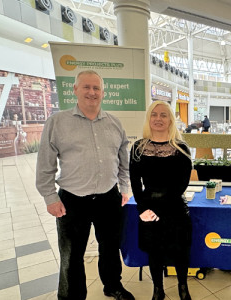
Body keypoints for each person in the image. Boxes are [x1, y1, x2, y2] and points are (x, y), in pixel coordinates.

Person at [36, 70, 134, 300]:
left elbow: (124, 162)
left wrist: (125, 188)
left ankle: (113, 286)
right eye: (86, 87)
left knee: (110, 248)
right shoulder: (57, 122)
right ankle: (71, 296)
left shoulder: (114, 123)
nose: (92, 92)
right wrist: (50, 197)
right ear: (75, 90)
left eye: (96, 88)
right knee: (72, 254)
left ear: (103, 92)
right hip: (72, 200)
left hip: (108, 197)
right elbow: (45, 165)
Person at [129, 101, 193, 300]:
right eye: (154, 114)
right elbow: (134, 182)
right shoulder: (138, 148)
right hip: (149, 209)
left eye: (163, 115)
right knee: (154, 253)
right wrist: (142, 209)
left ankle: (183, 287)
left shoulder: (181, 148)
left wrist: (161, 209)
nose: (158, 118)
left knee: (180, 251)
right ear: (149, 118)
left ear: (170, 120)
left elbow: (181, 185)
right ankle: (158, 289)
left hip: (175, 208)